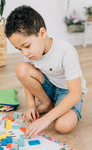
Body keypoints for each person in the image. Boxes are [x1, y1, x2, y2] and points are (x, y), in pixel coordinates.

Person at [5, 5, 87, 138]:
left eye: (26, 46)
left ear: (42, 33)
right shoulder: (29, 53)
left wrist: (46, 119)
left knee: (62, 126)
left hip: (68, 92)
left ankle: (55, 108)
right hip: (50, 85)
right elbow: (26, 80)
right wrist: (31, 105)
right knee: (21, 68)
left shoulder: (66, 51)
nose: (25, 52)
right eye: (19, 49)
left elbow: (75, 94)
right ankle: (48, 104)